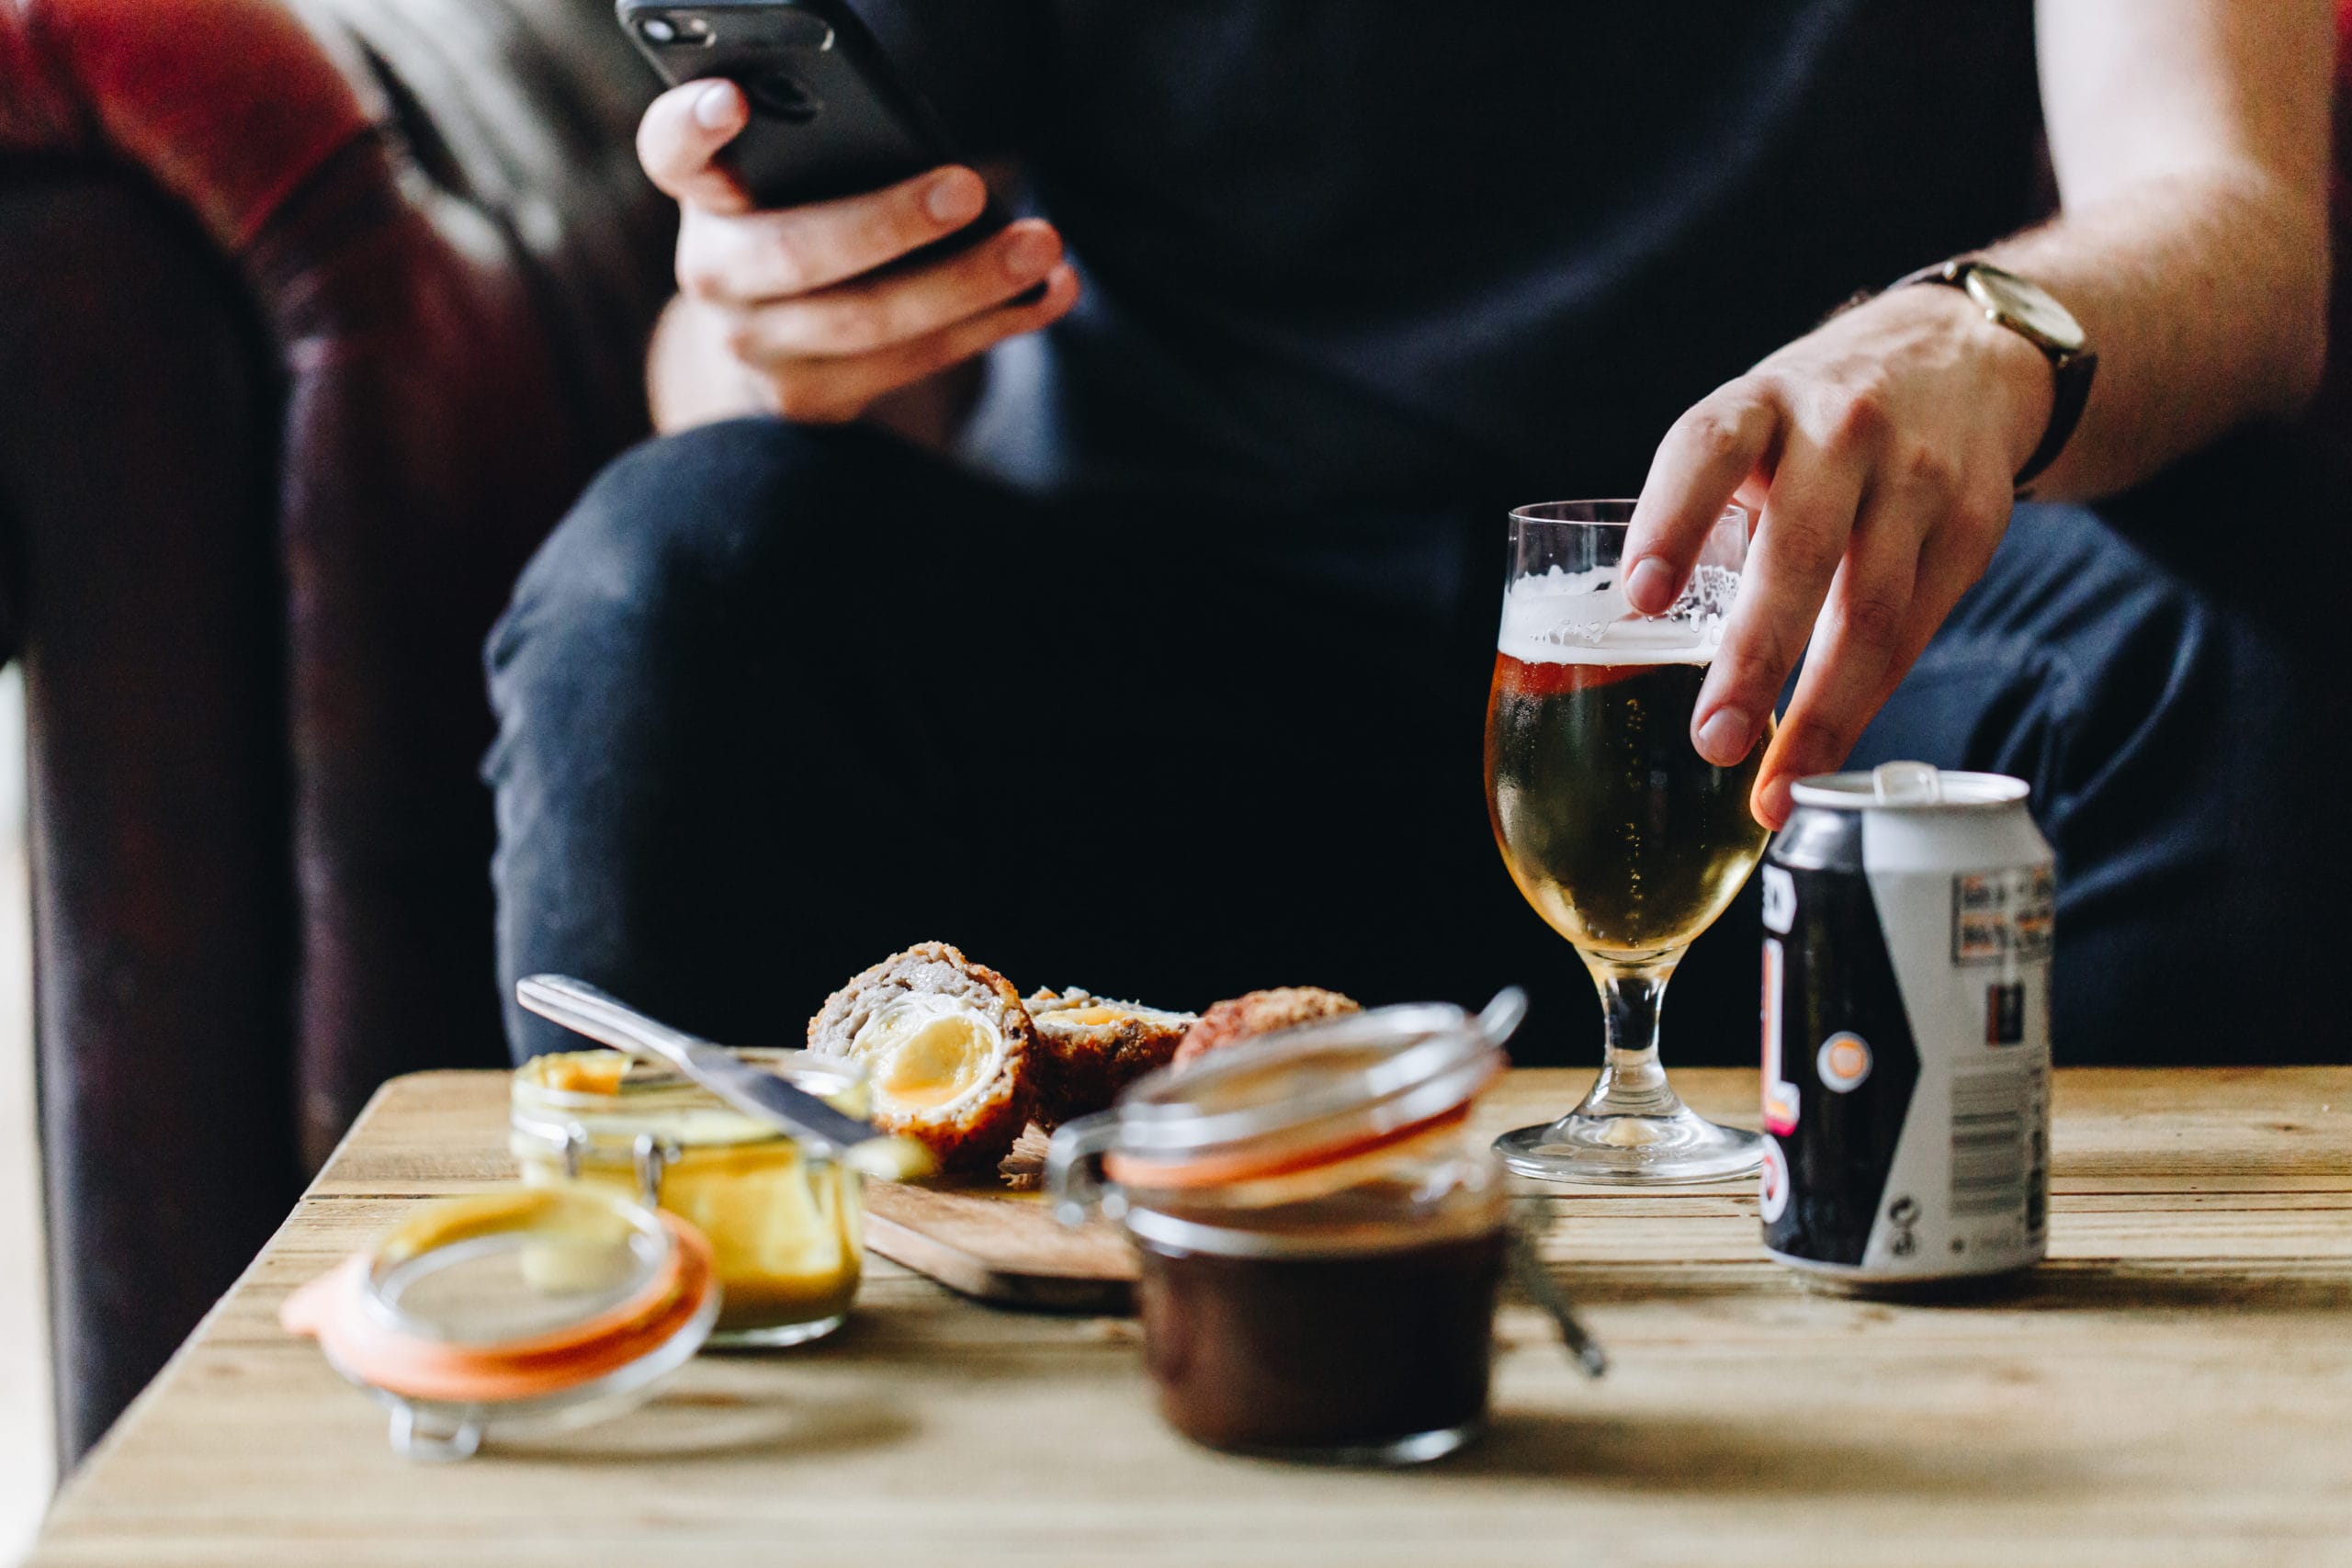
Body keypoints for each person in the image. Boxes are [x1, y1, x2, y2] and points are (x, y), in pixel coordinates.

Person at [486, 0, 2338, 1067]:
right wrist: (762, 330)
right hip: (1170, 659)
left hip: (1795, 662)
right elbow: (788, 386)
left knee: (2238, 633)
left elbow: (2231, 216)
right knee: (669, 587)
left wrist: (1978, 330)